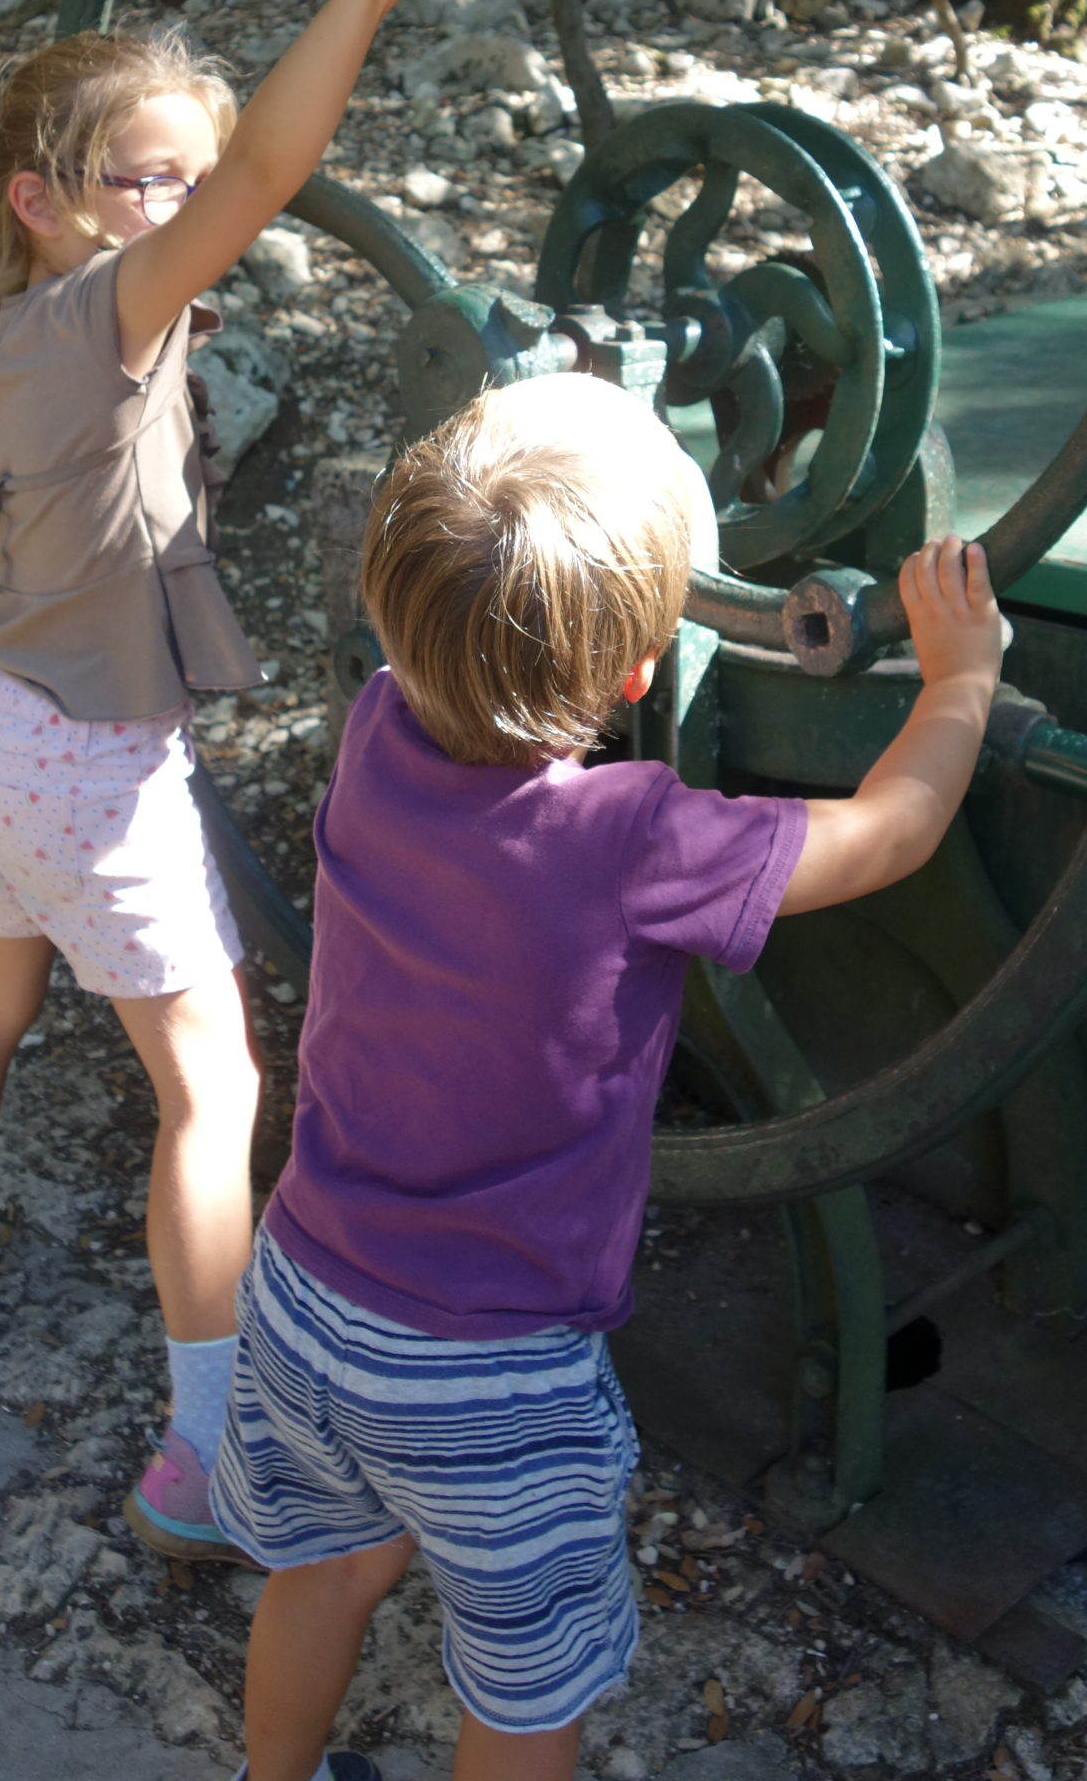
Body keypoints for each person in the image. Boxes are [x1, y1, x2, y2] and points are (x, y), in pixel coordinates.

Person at [212, 371, 1005, 1781]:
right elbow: (889, 833)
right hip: (491, 1377)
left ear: (393, 615)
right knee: (527, 1686)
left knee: (325, 1568)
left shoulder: (377, 730)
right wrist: (961, 679)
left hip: (303, 1295)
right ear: (641, 674)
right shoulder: (637, 838)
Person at [0, 0, 501, 1563]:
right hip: (89, 764)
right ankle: (209, 1452)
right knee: (214, 1092)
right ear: (43, 201)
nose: (183, 206)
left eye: (180, 177)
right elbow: (266, 176)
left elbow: (235, 180)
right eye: (146, 181)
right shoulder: (104, 318)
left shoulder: (21, 330)